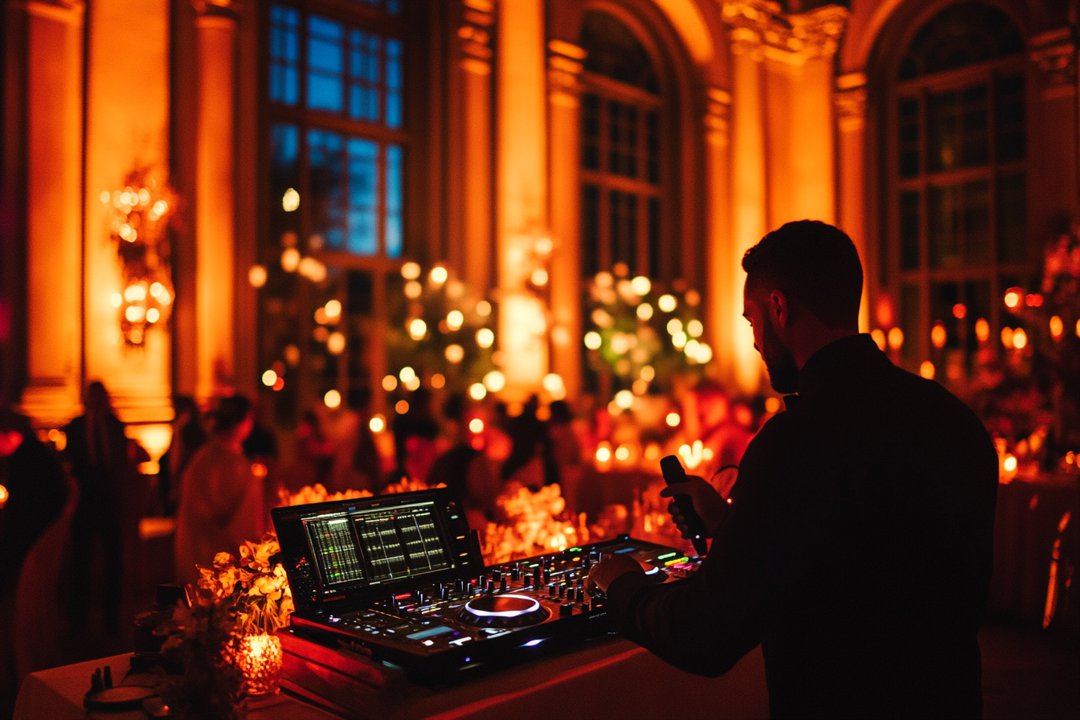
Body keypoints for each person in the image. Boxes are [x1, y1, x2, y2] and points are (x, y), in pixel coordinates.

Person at [589, 220, 998, 718]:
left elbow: (706, 633)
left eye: (752, 320)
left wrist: (622, 585)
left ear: (779, 309)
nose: (755, 341)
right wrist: (732, 524)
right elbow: (865, 554)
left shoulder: (795, 440)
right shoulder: (952, 418)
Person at [63, 381, 137, 631]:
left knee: (114, 558)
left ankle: (111, 616)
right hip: (84, 501)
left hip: (110, 501)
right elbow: (70, 460)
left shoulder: (115, 425)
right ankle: (78, 617)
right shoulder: (75, 426)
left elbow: (121, 462)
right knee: (80, 559)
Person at [174, 394, 266, 583]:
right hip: (214, 554)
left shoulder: (206, 457)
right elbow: (229, 516)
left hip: (206, 549)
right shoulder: (225, 462)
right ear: (243, 422)